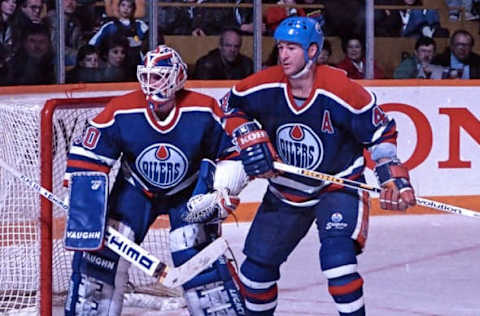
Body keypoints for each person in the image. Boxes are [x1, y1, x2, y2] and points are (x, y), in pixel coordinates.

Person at [214, 16, 416, 315]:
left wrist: (392, 176)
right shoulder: (265, 84)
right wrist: (245, 133)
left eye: (292, 48)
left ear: (311, 51)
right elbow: (227, 107)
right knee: (255, 273)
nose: (283, 55)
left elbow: (381, 132)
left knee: (339, 264)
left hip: (337, 185)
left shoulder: (340, 88)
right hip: (286, 190)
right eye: (281, 47)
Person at [63, 44, 246, 316]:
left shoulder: (204, 109)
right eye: (147, 76)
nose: (151, 83)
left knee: (195, 255)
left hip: (187, 192)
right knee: (103, 256)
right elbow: (88, 154)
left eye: (159, 75)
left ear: (178, 77)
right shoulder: (122, 109)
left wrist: (223, 189)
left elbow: (231, 152)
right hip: (136, 189)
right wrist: (81, 198)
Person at [89, 0, 148, 75]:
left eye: (129, 6)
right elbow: (92, 44)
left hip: (137, 63)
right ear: (118, 8)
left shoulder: (139, 25)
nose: (126, 8)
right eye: (123, 5)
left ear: (133, 9)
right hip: (116, 64)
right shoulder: (110, 26)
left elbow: (151, 39)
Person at [47, 0, 84, 68]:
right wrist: (79, 55)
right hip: (53, 58)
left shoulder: (75, 21)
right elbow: (56, 47)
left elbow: (79, 43)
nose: (70, 2)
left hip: (70, 56)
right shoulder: (53, 18)